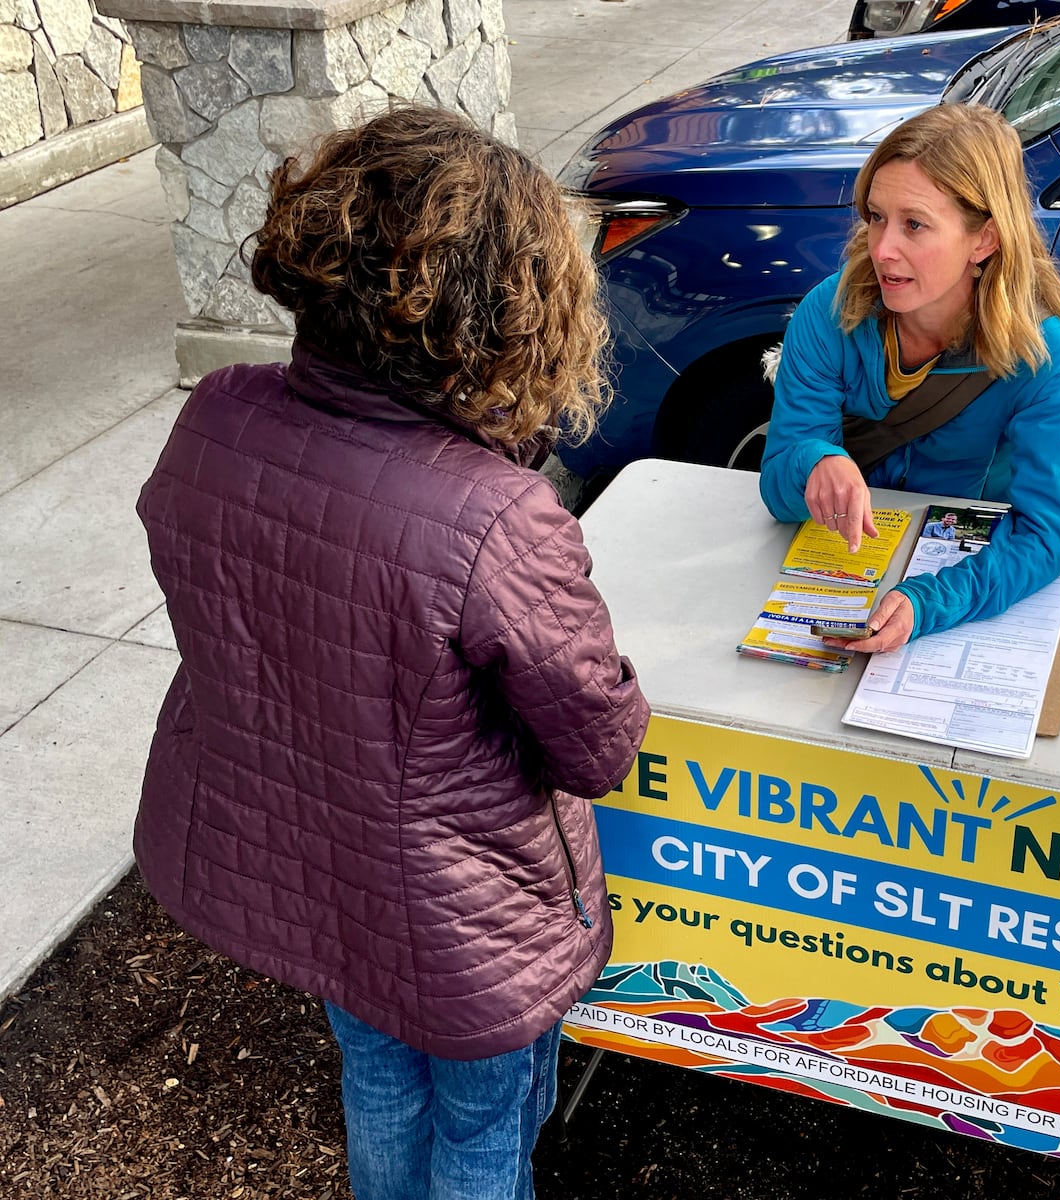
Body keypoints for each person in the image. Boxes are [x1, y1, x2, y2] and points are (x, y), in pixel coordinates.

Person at [133, 108, 649, 1200]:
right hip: (465, 918)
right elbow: (596, 745)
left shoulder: (216, 418)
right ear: (506, 314)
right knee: (479, 1123)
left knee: (375, 1077)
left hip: (312, 874)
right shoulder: (493, 515)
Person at [759, 103, 1060, 654]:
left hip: (969, 587)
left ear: (984, 239)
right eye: (876, 216)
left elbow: (1043, 537)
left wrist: (927, 603)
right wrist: (815, 460)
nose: (882, 249)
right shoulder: (830, 310)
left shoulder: (1046, 354)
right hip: (831, 575)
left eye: (914, 224)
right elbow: (777, 491)